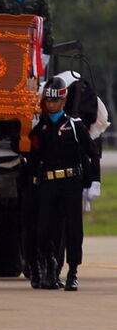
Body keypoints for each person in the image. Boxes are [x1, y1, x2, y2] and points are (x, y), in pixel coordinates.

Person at [29, 77, 101, 291]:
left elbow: (92, 153)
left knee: (73, 229)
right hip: (48, 184)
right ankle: (50, 265)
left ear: (63, 101)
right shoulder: (40, 127)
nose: (51, 105)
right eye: (48, 101)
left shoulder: (74, 125)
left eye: (55, 101)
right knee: (44, 230)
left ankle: (72, 272)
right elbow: (33, 156)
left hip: (71, 182)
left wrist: (93, 182)